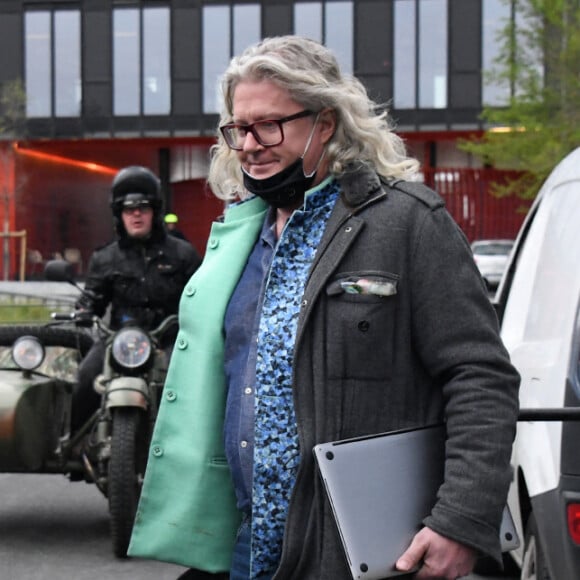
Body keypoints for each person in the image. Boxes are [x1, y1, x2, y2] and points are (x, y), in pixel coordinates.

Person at [129, 36, 520, 580]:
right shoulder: (241, 234)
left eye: (269, 125)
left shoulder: (407, 222)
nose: (249, 144)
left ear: (327, 123)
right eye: (239, 128)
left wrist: (461, 519)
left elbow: (480, 376)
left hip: (358, 550)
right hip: (246, 544)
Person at [72, 166, 202, 433]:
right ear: (119, 215)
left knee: (197, 384)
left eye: (143, 207)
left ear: (155, 211)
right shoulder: (105, 258)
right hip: (119, 340)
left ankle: (197, 444)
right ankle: (75, 446)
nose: (136, 214)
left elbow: (201, 298)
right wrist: (84, 309)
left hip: (170, 339)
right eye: (128, 209)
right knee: (85, 377)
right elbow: (93, 298)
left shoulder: (183, 254)